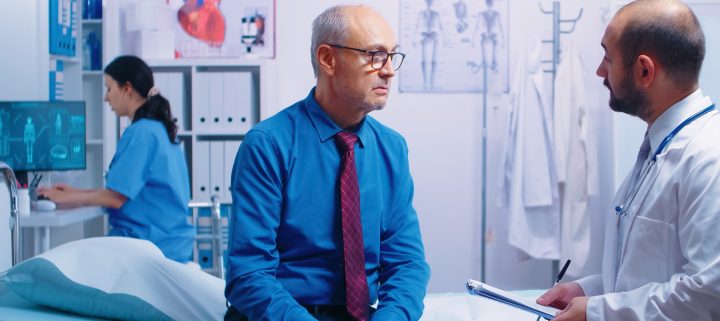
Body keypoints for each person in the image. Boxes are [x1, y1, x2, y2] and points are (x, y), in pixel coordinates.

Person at [535, 1, 720, 320]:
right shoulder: (661, 148)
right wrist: (588, 291)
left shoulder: (718, 161)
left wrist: (599, 312)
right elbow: (653, 274)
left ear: (644, 70)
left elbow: (716, 299)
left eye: (607, 58)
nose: (600, 71)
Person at [224, 5, 429, 321]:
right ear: (328, 59)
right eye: (375, 56)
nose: (389, 70)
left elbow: (405, 261)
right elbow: (249, 274)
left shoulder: (392, 148)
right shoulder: (268, 145)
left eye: (392, 56)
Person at [39, 55, 195, 263]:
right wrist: (73, 192)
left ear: (127, 89)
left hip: (149, 244)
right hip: (166, 241)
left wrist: (66, 198)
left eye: (109, 88)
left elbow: (116, 198)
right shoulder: (157, 129)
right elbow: (120, 192)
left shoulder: (142, 133)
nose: (106, 98)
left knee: (62, 261)